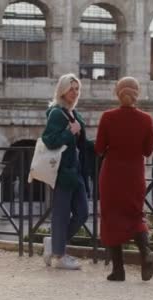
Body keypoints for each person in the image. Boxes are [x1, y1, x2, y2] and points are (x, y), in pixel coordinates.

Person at [94, 76, 153, 281]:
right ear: (138, 94)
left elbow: (99, 148)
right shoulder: (147, 119)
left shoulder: (107, 117)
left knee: (111, 218)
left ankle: (118, 270)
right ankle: (145, 253)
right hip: (134, 174)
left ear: (116, 93)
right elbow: (147, 151)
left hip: (112, 174)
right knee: (135, 215)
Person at [41, 73, 92, 270]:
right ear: (62, 90)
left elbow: (80, 144)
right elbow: (50, 140)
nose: (75, 92)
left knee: (82, 213)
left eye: (77, 89)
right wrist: (69, 132)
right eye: (71, 88)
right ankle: (59, 255)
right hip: (62, 171)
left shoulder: (75, 114)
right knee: (61, 213)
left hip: (76, 170)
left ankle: (53, 244)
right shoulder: (56, 113)